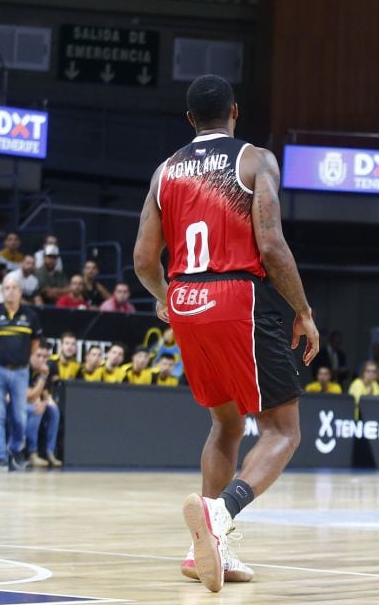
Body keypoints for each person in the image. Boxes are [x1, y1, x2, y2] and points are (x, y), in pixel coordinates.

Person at [133, 74, 319, 593]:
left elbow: (144, 259)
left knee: (227, 425)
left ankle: (207, 551)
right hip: (237, 294)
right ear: (235, 112)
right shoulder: (255, 159)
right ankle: (221, 514)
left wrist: (165, 297)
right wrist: (302, 310)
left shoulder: (164, 171)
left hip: (187, 300)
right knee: (284, 430)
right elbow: (273, 244)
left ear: (190, 119)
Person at [0, 275, 43, 471]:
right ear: (2, 291)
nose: (11, 291)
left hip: (21, 371)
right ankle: (0, 458)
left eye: (14, 287)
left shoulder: (30, 316)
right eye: (7, 288)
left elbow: (35, 342)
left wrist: (26, 358)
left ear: (20, 292)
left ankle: (14, 449)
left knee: (20, 416)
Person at [24, 345, 61, 468]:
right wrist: (43, 377)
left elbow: (45, 393)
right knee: (36, 409)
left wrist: (45, 402)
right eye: (38, 356)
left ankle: (49, 452)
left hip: (33, 401)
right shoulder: (24, 368)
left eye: (45, 357)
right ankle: (32, 453)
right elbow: (29, 396)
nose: (42, 360)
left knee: (54, 411)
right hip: (15, 403)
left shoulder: (46, 369)